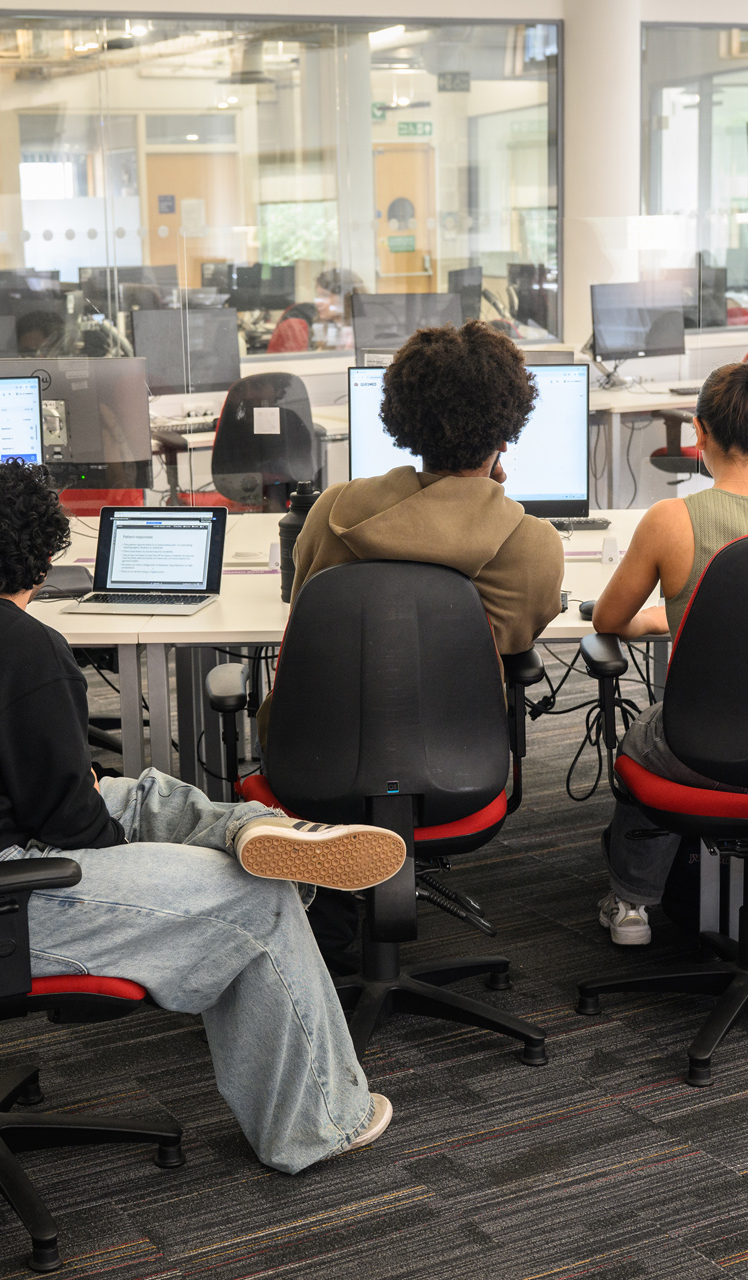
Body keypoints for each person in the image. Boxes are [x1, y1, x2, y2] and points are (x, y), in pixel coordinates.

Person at [0, 458, 404, 1174]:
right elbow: (72, 825)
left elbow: (29, 788)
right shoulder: (29, 651)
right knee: (256, 897)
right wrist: (148, 865)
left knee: (137, 792)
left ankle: (250, 831)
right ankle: (321, 1123)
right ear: (42, 556)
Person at [266, 320, 566, 970]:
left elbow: (309, 624)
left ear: (401, 418)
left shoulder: (333, 510)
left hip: (316, 768)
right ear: (509, 426)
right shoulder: (532, 541)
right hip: (458, 773)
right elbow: (514, 642)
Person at [588, 361, 748, 953]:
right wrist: (675, 613)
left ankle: (632, 901)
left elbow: (607, 620)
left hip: (702, 746)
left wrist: (662, 614)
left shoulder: (670, 522)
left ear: (698, 434)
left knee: (638, 741)